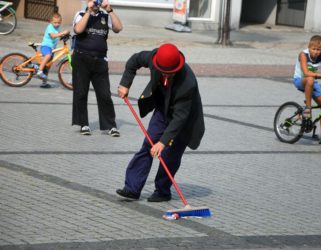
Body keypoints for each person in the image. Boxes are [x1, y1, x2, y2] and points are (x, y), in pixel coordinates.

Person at [116, 43, 205, 202]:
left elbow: (179, 118)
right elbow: (133, 61)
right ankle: (132, 189)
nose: (165, 75)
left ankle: (163, 192)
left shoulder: (187, 82)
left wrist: (163, 142)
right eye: (163, 72)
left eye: (169, 74)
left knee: (170, 155)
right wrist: (125, 83)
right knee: (148, 145)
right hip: (163, 111)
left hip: (184, 121)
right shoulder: (153, 57)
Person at [72, 0, 122, 136]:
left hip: (100, 60)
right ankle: (83, 124)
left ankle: (111, 126)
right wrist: (89, 11)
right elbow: (78, 30)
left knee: (105, 94)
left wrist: (110, 10)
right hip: (81, 59)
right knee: (81, 93)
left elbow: (118, 28)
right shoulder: (81, 14)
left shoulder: (105, 16)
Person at [37, 12, 69, 88]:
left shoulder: (58, 28)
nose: (57, 24)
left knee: (48, 65)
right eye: (55, 22)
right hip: (46, 46)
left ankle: (44, 83)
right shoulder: (50, 27)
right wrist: (62, 33)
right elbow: (53, 36)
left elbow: (58, 35)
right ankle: (40, 70)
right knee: (48, 55)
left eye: (58, 22)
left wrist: (65, 34)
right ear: (51, 22)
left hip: (52, 49)